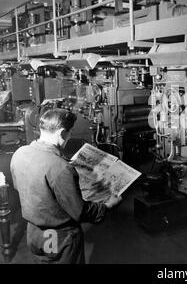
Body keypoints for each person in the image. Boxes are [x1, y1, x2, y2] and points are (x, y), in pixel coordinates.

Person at [10, 108, 122, 264]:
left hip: (34, 234)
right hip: (57, 238)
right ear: (62, 132)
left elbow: (24, 188)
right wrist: (107, 206)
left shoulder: (20, 153)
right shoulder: (61, 168)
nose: (70, 137)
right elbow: (80, 212)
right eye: (70, 133)